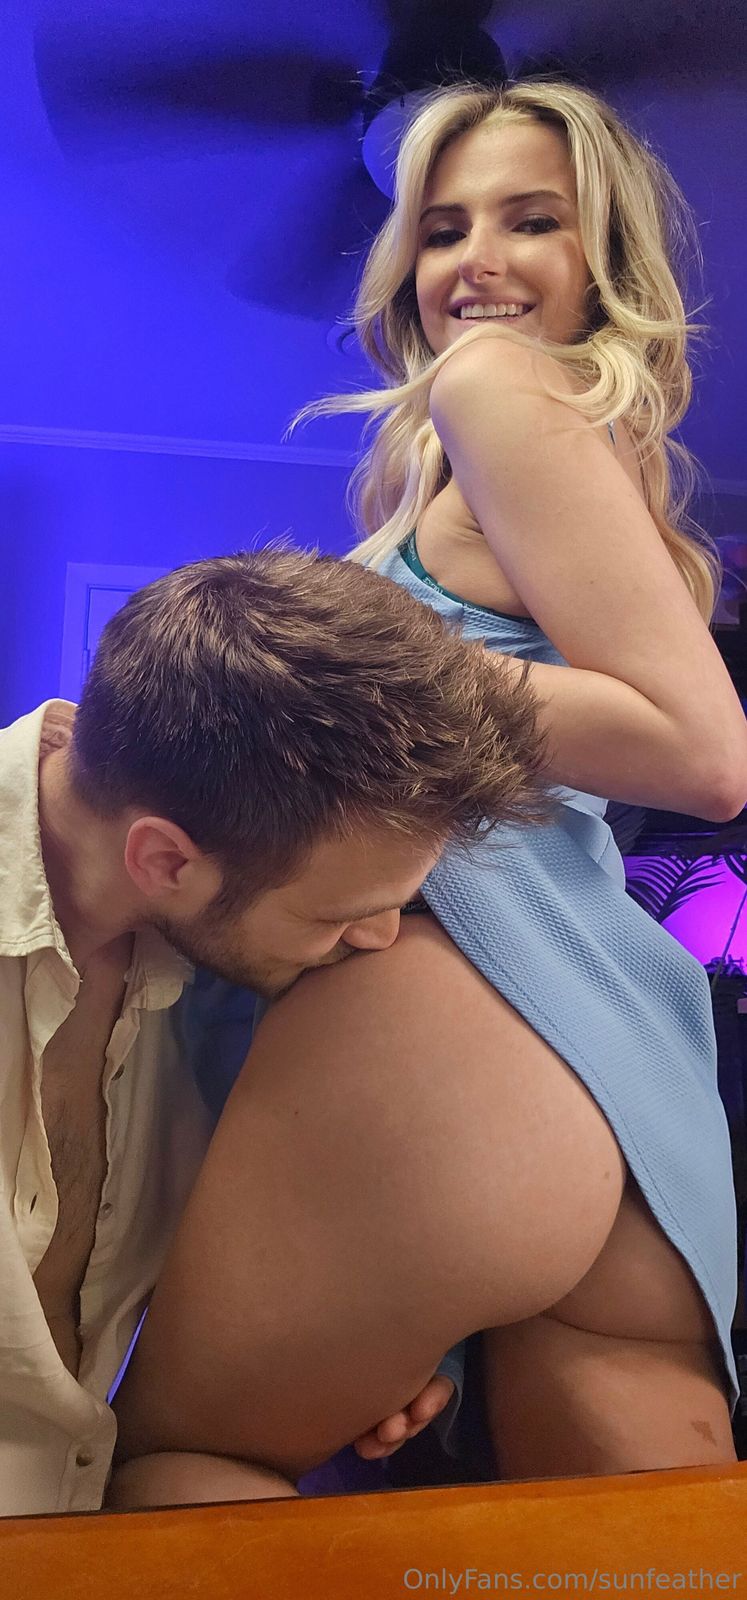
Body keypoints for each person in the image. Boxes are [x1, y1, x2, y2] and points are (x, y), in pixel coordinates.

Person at [108, 81, 747, 1506]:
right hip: (625, 1073)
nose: (478, 264)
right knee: (642, 1548)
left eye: (532, 221)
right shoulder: (585, 456)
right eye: (444, 228)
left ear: (603, 260)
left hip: (456, 996)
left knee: (187, 1472)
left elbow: (702, 754)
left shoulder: (492, 382)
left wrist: (343, 667)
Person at [0, 543, 552, 1518]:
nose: (378, 939)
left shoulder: (217, 953)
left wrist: (372, 1345)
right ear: (166, 861)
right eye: (339, 914)